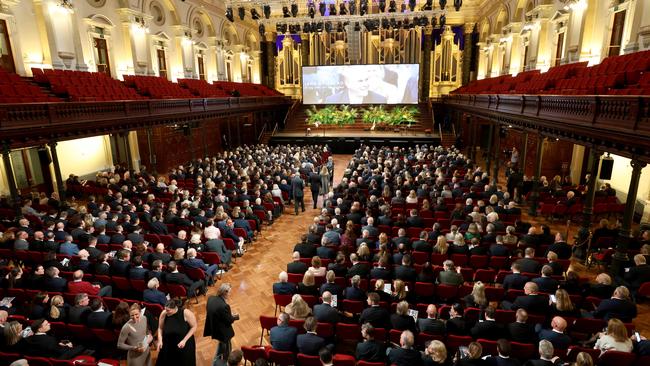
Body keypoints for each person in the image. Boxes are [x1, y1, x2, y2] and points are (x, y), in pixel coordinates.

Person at [204, 283, 239, 365]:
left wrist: (227, 315)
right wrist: (235, 317)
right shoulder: (224, 306)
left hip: (214, 327)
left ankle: (217, 361)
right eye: (229, 292)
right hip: (223, 332)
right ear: (225, 292)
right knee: (226, 348)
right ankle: (225, 363)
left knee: (223, 345)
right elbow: (229, 320)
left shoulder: (211, 298)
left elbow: (213, 312)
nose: (230, 294)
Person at [156, 299, 197, 366]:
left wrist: (184, 340)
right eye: (165, 309)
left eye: (168, 310)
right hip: (168, 344)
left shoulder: (186, 313)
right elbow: (160, 328)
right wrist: (160, 340)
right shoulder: (164, 313)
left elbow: (194, 327)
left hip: (184, 344)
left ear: (175, 308)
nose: (166, 312)